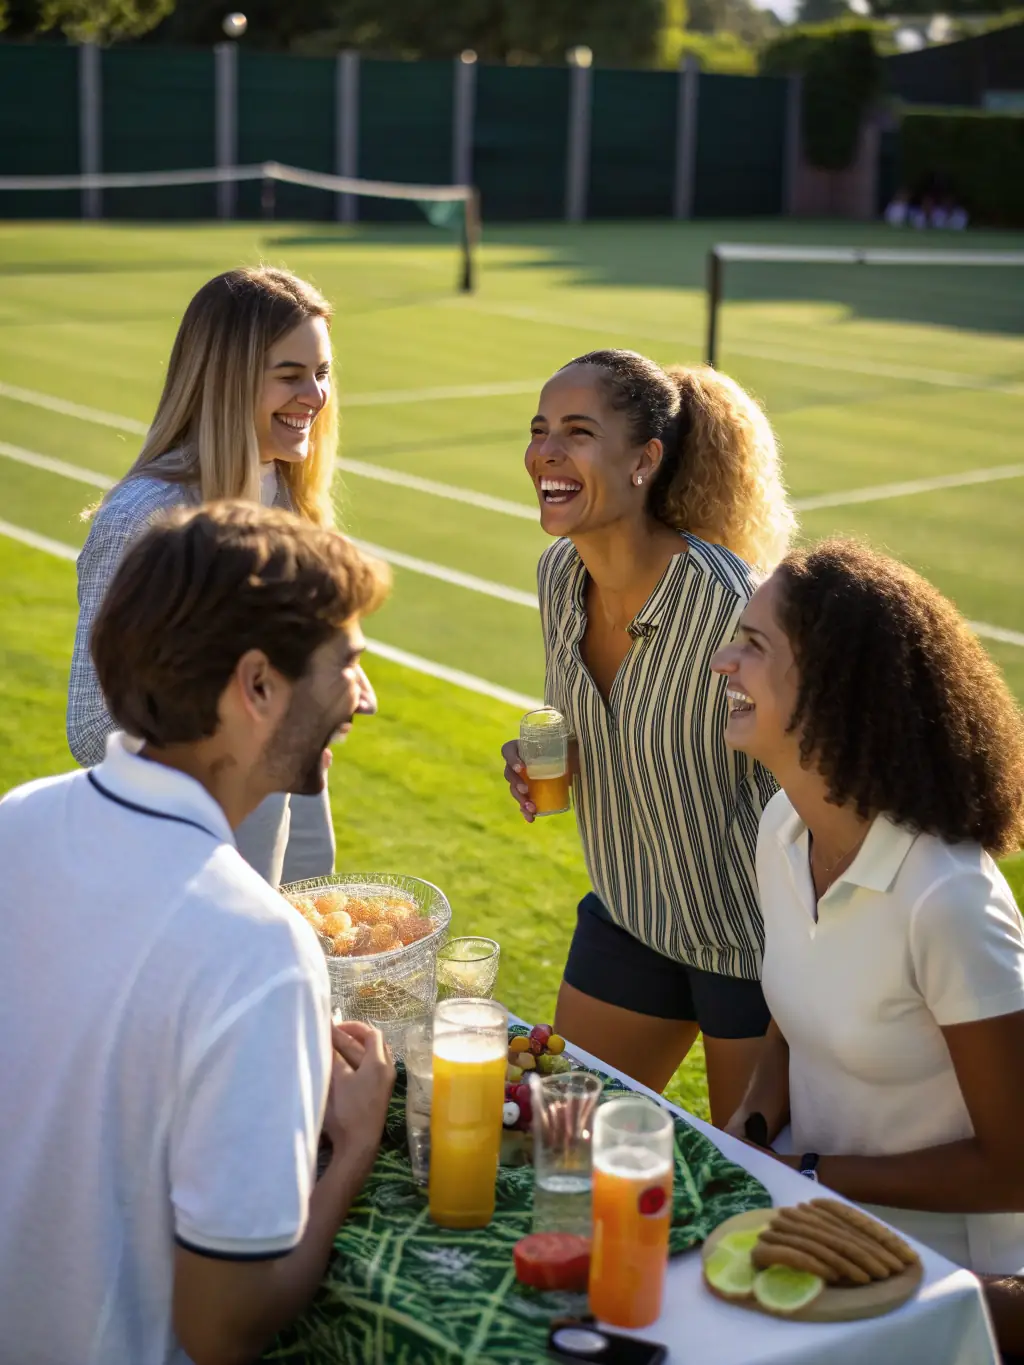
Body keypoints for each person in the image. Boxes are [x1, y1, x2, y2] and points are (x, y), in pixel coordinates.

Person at [0, 502, 395, 1364]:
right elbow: (223, 1326)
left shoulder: (16, 821)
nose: (360, 698)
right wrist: (354, 1145)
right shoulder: (257, 946)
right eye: (346, 666)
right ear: (257, 685)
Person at [714, 538, 1024, 1274]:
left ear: (830, 687)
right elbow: (801, 1006)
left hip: (945, 1277)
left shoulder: (949, 899)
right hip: (815, 1233)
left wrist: (815, 1172)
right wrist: (749, 1129)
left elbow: (1015, 1166)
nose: (724, 661)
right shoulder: (781, 829)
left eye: (753, 644)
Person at [502, 349, 796, 1122]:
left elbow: (803, 795)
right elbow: (584, 720)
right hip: (632, 912)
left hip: (752, 949)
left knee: (754, 1181)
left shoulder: (732, 606)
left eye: (577, 431)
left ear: (645, 460)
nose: (546, 452)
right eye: (539, 430)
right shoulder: (555, 577)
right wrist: (549, 754)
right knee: (556, 1134)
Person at [67, 264, 375, 888]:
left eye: (321, 373)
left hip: (291, 812)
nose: (315, 397)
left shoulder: (292, 500)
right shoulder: (144, 517)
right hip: (186, 853)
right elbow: (91, 726)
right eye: (290, 375)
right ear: (226, 381)